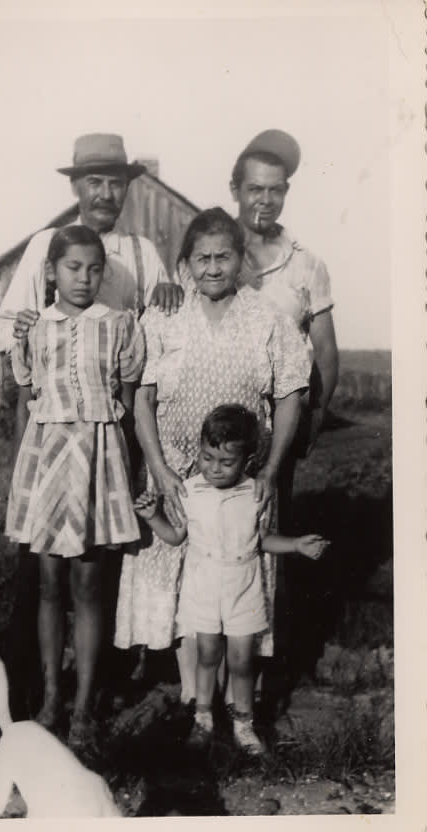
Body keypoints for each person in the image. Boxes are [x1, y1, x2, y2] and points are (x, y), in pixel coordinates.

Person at [0, 133, 181, 717]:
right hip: (49, 442)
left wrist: (172, 293)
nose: (104, 193)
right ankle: (38, 693)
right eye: (93, 182)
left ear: (127, 186)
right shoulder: (44, 246)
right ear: (75, 187)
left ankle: (92, 695)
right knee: (43, 581)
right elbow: (13, 332)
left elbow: (151, 335)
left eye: (114, 182)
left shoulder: (141, 250)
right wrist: (23, 327)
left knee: (94, 578)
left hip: (105, 439)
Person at [114, 207, 311, 709]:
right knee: (184, 586)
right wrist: (158, 468)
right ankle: (192, 701)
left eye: (224, 256)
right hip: (176, 472)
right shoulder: (164, 315)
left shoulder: (268, 319)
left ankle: (231, 702)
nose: (213, 268)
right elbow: (143, 397)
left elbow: (291, 394)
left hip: (240, 479)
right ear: (186, 262)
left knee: (234, 580)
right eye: (201, 258)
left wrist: (268, 470)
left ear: (241, 259)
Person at [6, 225, 144, 751]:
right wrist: (19, 479)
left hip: (97, 464)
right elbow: (25, 402)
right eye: (72, 268)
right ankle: (49, 699)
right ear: (51, 272)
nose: (83, 278)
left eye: (93, 269)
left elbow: (128, 406)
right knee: (48, 588)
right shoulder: (33, 330)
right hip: (45, 467)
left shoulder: (120, 326)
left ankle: (85, 705)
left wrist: (125, 477)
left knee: (88, 588)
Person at [133, 405, 329, 755]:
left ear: (248, 460)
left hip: (244, 586)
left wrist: (297, 545)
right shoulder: (189, 491)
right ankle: (203, 719)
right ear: (200, 450)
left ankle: (244, 723)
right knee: (207, 655)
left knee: (241, 660)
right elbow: (176, 536)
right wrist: (152, 517)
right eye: (208, 458)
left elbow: (263, 539)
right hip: (204, 584)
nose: (215, 469)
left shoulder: (256, 493)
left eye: (226, 463)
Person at [230, 128, 339, 529]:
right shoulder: (212, 252)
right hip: (215, 410)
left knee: (272, 522)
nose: (265, 200)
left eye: (275, 191)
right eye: (255, 189)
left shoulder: (307, 263)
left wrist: (316, 414)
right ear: (235, 189)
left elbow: (326, 352)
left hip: (280, 418)